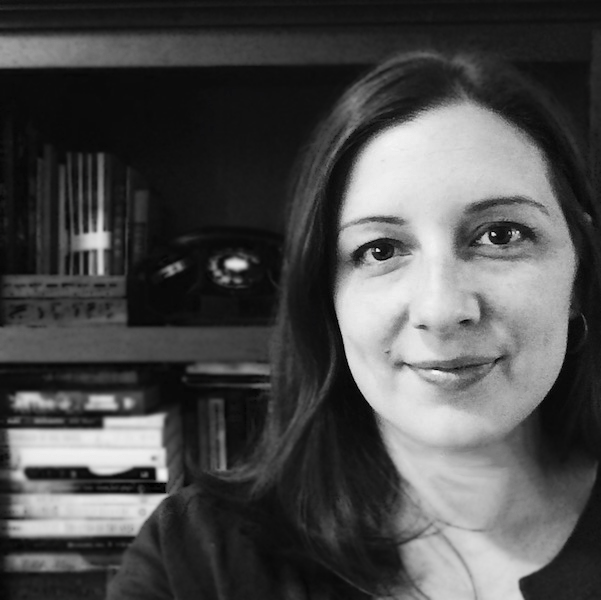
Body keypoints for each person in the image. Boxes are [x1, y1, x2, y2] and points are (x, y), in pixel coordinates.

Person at [106, 48, 601, 600]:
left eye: (501, 236)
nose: (441, 309)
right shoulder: (194, 561)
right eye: (381, 249)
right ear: (325, 295)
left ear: (579, 271)